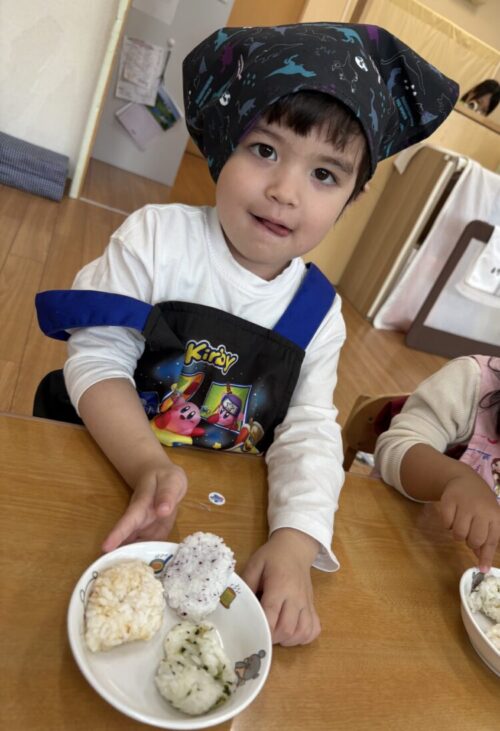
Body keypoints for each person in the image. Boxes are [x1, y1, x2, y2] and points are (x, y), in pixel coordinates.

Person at [35, 23, 458, 646]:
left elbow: (308, 431)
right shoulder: (158, 239)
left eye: (325, 174)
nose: (285, 191)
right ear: (223, 145)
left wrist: (295, 542)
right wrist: (147, 463)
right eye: (264, 149)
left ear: (353, 196)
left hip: (212, 499)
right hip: (99, 455)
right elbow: (97, 357)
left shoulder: (317, 313)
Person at [375, 355, 500, 572]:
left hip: (463, 567)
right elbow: (396, 446)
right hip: (393, 538)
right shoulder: (471, 381)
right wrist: (455, 478)